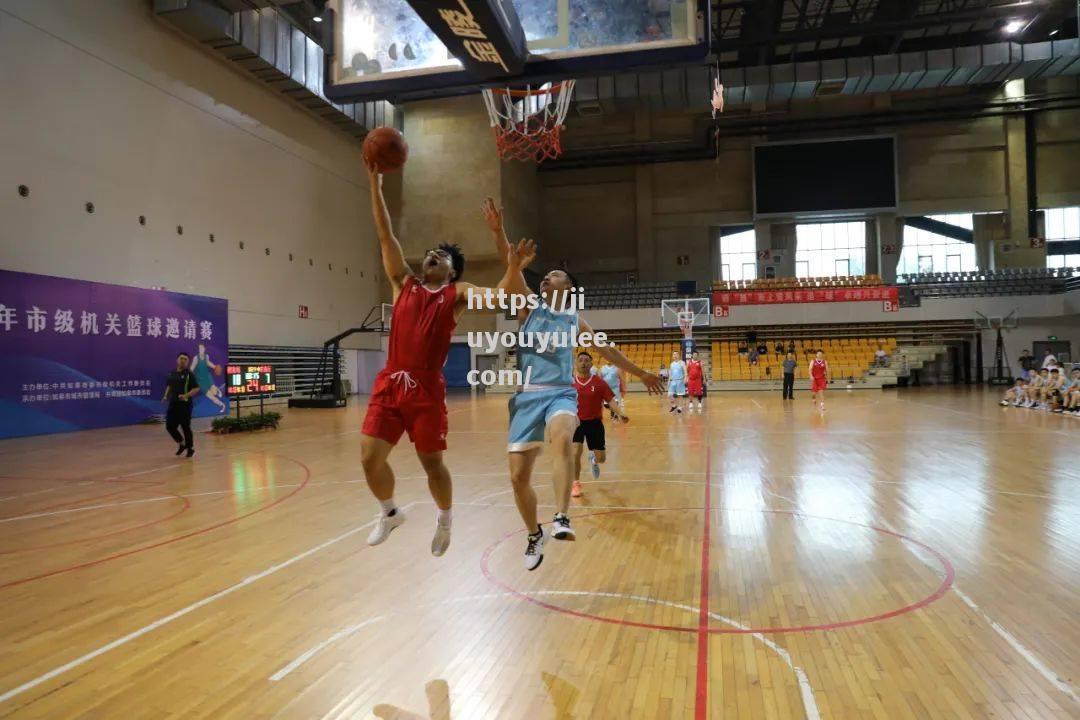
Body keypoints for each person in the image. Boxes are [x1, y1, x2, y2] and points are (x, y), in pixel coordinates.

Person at [360, 162, 535, 557]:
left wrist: (508, 260)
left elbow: (501, 296)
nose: (433, 255)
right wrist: (374, 180)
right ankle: (389, 513)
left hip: (424, 388)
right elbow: (384, 231)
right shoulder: (402, 282)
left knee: (431, 464)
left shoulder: (457, 294)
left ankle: (445, 518)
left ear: (452, 271)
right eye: (431, 253)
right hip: (391, 382)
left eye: (442, 256)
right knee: (369, 459)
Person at [502, 267, 662, 571]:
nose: (547, 277)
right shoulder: (530, 306)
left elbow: (605, 348)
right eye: (545, 274)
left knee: (563, 440)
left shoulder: (574, 320)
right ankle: (534, 534)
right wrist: (502, 241)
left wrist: (641, 373)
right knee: (517, 477)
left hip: (561, 393)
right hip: (526, 395)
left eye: (555, 274)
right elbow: (512, 279)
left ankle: (561, 516)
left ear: (569, 286)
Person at [570, 352, 629, 498]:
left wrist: (620, 414)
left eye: (587, 360)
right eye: (581, 360)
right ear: (576, 364)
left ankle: (594, 460)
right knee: (575, 453)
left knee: (601, 458)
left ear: (591, 364)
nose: (583, 363)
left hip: (594, 423)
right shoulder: (569, 383)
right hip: (575, 423)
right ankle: (576, 484)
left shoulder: (599, 383)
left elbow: (611, 401)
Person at [162, 352, 201, 458]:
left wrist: (186, 395)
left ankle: (190, 448)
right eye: (181, 358)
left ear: (187, 362)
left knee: (185, 427)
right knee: (170, 426)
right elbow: (169, 385)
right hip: (173, 404)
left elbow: (196, 388)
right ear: (177, 359)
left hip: (185, 405)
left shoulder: (189, 374)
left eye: (185, 359)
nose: (183, 360)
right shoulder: (172, 373)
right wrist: (165, 396)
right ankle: (182, 443)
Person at [190, 343, 226, 414]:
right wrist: (190, 375)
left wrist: (215, 367)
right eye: (199, 349)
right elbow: (191, 368)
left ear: (204, 349)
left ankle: (217, 390)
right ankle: (222, 405)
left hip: (208, 378)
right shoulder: (196, 358)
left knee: (214, 393)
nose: (201, 350)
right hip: (200, 382)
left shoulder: (207, 356)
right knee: (211, 396)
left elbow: (208, 363)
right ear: (198, 350)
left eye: (202, 348)